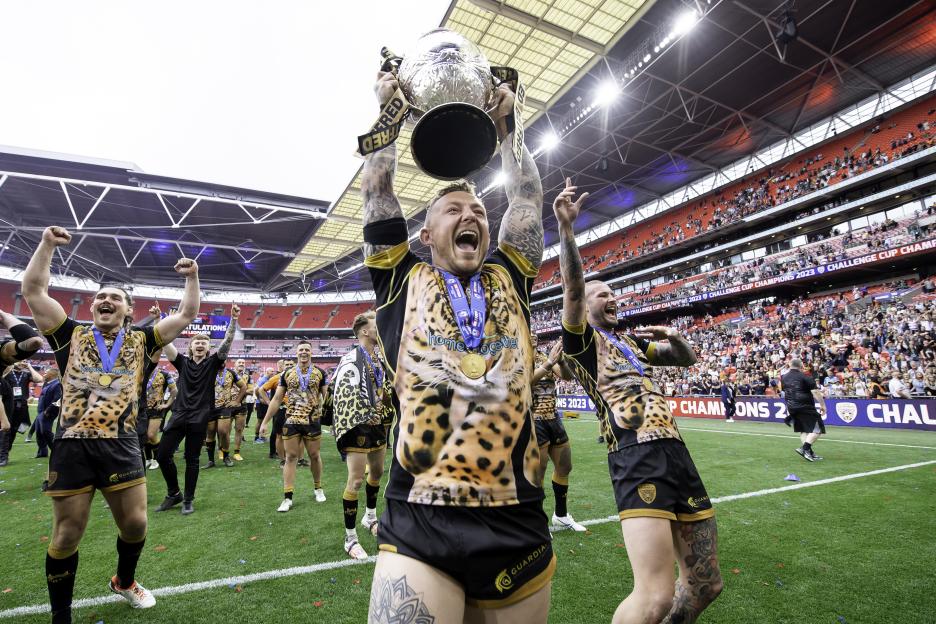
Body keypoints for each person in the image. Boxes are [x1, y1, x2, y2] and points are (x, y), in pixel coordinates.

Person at [363, 72, 552, 621]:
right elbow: (378, 191)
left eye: (477, 213)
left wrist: (509, 122)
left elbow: (527, 195)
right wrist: (388, 114)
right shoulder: (399, 279)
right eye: (452, 210)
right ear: (426, 235)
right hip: (421, 510)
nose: (470, 214)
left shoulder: (511, 274)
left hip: (516, 512)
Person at [554, 180, 722, 624]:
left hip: (676, 452)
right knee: (654, 596)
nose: (612, 297)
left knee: (706, 586)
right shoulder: (581, 343)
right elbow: (572, 290)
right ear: (583, 307)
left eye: (613, 293)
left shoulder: (629, 342)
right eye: (602, 294)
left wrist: (676, 337)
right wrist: (567, 232)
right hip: (635, 454)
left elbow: (683, 360)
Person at [22, 225, 201, 622]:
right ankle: (61, 615)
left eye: (115, 298)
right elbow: (34, 291)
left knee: (136, 524)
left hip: (120, 443)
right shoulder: (69, 334)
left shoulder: (144, 340)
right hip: (72, 444)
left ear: (127, 310)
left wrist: (192, 278)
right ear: (92, 307)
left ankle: (124, 580)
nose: (106, 300)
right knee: (67, 533)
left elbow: (188, 313)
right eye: (101, 296)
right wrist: (47, 245)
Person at [155, 307, 238, 515]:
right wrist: (159, 318)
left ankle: (188, 499)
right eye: (196, 342)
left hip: (199, 416)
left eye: (204, 343)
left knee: (191, 459)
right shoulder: (182, 363)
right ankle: (174, 493)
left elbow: (227, 342)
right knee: (163, 455)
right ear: (190, 347)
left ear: (208, 348)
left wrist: (234, 320)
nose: (200, 344)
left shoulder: (212, 363)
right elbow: (165, 341)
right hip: (179, 414)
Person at [331, 311, 394, 559]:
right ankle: (350, 539)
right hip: (357, 424)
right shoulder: (350, 358)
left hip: (377, 424)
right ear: (365, 331)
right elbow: (343, 393)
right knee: (356, 480)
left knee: (377, 473)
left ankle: (370, 518)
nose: (381, 329)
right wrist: (364, 413)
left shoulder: (380, 359)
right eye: (376, 325)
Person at [258, 341, 328, 510]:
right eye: (301, 350)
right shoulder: (287, 373)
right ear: (296, 353)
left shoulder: (320, 373)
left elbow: (327, 398)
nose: (304, 352)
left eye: (307, 350)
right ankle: (287, 497)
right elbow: (276, 399)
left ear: (312, 353)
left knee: (314, 455)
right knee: (290, 457)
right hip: (291, 420)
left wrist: (332, 420)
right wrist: (265, 422)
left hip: (312, 419)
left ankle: (318, 488)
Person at [531, 337, 585, 532]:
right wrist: (549, 363)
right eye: (530, 332)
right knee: (538, 474)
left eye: (536, 333)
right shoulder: (519, 357)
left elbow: (568, 376)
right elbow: (525, 381)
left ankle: (561, 516)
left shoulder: (544, 356)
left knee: (565, 466)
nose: (534, 336)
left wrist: (561, 360)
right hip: (534, 420)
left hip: (554, 418)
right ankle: (537, 523)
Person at [780, 358, 826, 462]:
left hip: (791, 407)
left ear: (790, 365)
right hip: (805, 406)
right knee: (817, 429)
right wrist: (823, 405)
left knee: (803, 429)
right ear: (801, 366)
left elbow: (784, 390)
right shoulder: (806, 377)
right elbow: (816, 392)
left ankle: (809, 452)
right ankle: (804, 448)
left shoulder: (783, 377)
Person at [204, 363, 245, 468]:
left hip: (225, 407)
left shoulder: (231, 373)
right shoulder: (207, 371)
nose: (221, 361)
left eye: (224, 359)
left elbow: (243, 386)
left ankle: (226, 456)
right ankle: (210, 460)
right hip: (210, 408)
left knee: (223, 431)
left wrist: (237, 400)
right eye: (219, 359)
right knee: (210, 434)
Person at [3, 359, 43, 452]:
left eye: (24, 361)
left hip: (21, 406)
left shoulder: (26, 374)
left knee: (15, 428)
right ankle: (3, 452)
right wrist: (10, 367)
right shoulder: (8, 372)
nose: (22, 363)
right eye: (20, 360)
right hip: (8, 404)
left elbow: (40, 379)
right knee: (6, 429)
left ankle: (6, 450)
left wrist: (29, 367)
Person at [35, 368, 62, 459]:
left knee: (46, 432)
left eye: (46, 372)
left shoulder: (57, 384)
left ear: (51, 374)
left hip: (47, 412)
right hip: (40, 412)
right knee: (39, 432)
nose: (44, 374)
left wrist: (48, 411)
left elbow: (57, 399)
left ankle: (56, 451)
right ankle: (42, 452)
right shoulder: (47, 384)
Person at [232, 359, 253, 460]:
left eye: (243, 363)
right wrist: (244, 390)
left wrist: (241, 392)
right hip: (228, 404)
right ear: (234, 364)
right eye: (239, 362)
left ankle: (236, 452)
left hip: (242, 405)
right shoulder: (228, 374)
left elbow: (252, 390)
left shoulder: (248, 376)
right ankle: (222, 450)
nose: (241, 364)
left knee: (239, 429)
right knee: (224, 430)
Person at [253, 366, 274, 443]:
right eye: (272, 371)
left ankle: (262, 436)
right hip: (261, 404)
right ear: (267, 372)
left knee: (264, 420)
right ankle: (257, 438)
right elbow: (256, 389)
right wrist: (259, 398)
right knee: (260, 421)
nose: (273, 372)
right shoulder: (263, 379)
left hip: (265, 403)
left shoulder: (268, 379)